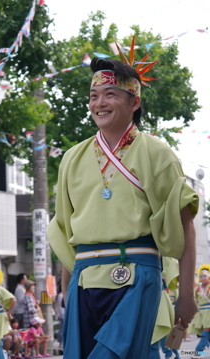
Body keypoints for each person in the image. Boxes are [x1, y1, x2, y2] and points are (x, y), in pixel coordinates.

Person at [47, 39, 199, 359]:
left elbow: (185, 228)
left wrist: (186, 294)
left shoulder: (158, 154)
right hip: (84, 279)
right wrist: (66, 290)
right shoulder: (72, 158)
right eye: (93, 96)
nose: (99, 103)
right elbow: (64, 229)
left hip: (137, 276)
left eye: (110, 94)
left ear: (134, 102)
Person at [189, 265, 210, 358]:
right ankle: (203, 352)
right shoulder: (197, 289)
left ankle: (198, 351)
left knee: (205, 333)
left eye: (205, 276)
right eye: (201, 276)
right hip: (202, 313)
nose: (202, 278)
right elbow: (195, 301)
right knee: (206, 333)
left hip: (209, 312)